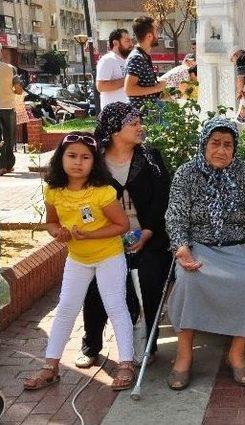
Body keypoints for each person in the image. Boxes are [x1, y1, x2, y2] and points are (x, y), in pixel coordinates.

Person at [164, 117, 245, 389]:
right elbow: (176, 217)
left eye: (228, 144)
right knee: (189, 280)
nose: (221, 150)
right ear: (204, 144)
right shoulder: (187, 174)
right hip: (198, 247)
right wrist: (182, 248)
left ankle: (236, 354)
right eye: (215, 143)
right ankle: (184, 354)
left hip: (237, 247)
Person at [23, 132, 135, 391]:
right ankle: (50, 367)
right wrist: (57, 233)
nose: (78, 162)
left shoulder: (102, 192)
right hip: (77, 258)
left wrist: (91, 234)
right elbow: (51, 222)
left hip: (109, 256)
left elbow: (122, 225)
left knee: (115, 306)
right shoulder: (54, 191)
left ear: (94, 162)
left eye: (85, 157)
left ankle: (126, 364)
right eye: (71, 155)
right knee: (66, 309)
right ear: (60, 158)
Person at [74, 102, 172, 369]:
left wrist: (148, 232)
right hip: (105, 238)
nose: (141, 128)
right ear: (115, 129)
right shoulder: (94, 162)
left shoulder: (150, 157)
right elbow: (82, 200)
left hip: (148, 237)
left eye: (140, 122)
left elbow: (162, 200)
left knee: (151, 279)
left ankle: (148, 343)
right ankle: (91, 344)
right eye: (134, 123)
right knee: (95, 286)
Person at [125, 16, 167, 113]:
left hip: (148, 115)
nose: (158, 35)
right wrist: (157, 88)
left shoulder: (143, 55)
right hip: (141, 118)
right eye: (156, 31)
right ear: (149, 36)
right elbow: (129, 89)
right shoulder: (137, 57)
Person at [96, 29, 134, 107]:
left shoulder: (127, 60)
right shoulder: (107, 60)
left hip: (128, 112)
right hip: (113, 114)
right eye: (127, 41)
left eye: (131, 41)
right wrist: (129, 80)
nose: (131, 44)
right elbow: (101, 86)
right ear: (115, 43)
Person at [0, 44, 23, 176]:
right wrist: (13, 90)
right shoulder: (11, 69)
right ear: (1, 53)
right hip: (8, 107)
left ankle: (5, 165)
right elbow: (18, 89)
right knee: (9, 137)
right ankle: (5, 165)